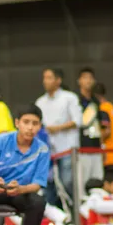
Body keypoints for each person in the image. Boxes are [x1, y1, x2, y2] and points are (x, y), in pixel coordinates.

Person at [36, 68, 82, 201]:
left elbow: (78, 121)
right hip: (47, 148)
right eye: (44, 78)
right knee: (48, 185)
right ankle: (56, 216)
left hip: (67, 147)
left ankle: (75, 212)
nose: (45, 81)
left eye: (49, 77)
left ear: (58, 80)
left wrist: (57, 128)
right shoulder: (40, 102)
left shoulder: (69, 98)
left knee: (67, 182)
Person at [77, 68, 109, 197]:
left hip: (96, 148)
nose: (88, 81)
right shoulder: (75, 100)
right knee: (82, 183)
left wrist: (102, 148)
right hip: (81, 148)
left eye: (90, 78)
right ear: (79, 81)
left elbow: (101, 127)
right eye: (84, 77)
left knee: (97, 181)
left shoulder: (96, 102)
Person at [93, 82, 113, 174]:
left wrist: (96, 142)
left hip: (109, 155)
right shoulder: (111, 106)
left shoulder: (102, 108)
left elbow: (107, 131)